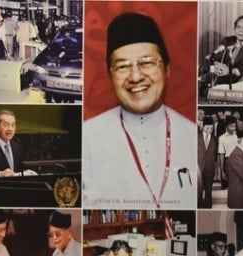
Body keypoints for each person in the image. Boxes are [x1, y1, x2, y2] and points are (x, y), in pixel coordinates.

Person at [83, 12, 196, 208]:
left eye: (147, 63)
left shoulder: (192, 135)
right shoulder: (87, 138)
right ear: (110, 75)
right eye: (123, 67)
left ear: (167, 69)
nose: (135, 76)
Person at [203, 15, 243, 87]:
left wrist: (229, 70)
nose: (241, 30)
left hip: (237, 84)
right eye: (238, 27)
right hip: (219, 80)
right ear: (235, 29)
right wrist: (216, 65)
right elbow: (215, 57)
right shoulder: (227, 41)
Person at [198, 120, 218, 208]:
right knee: (199, 188)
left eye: (211, 128)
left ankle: (208, 205)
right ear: (203, 127)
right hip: (198, 167)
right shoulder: (196, 137)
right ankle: (198, 204)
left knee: (208, 188)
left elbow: (216, 154)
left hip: (210, 167)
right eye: (207, 127)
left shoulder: (215, 139)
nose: (210, 129)